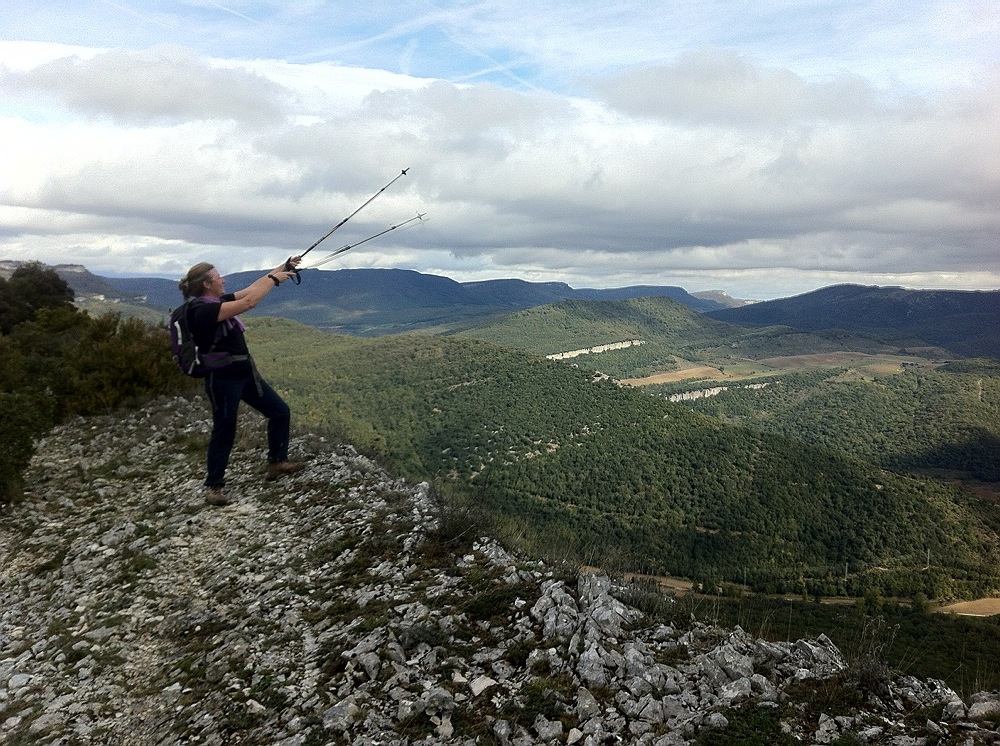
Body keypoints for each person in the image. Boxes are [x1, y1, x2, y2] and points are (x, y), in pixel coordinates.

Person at [178, 259, 305, 505]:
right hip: (222, 379)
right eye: (218, 277)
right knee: (225, 429)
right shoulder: (202, 311)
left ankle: (277, 462)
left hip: (244, 373)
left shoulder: (216, 302)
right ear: (206, 284)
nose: (223, 280)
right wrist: (274, 281)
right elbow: (249, 301)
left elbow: (252, 288)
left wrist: (282, 267)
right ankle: (213, 486)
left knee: (280, 412)